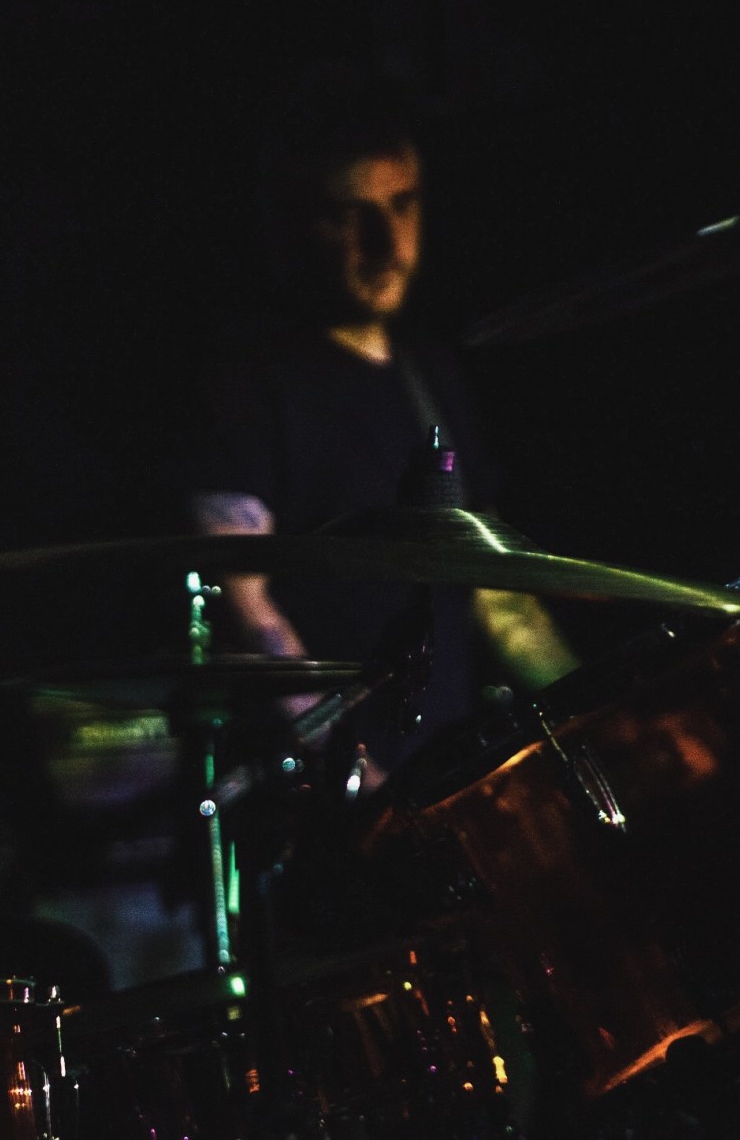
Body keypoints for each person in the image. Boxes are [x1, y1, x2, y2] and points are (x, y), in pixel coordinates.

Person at [182, 66, 577, 791]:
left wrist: (599, 714)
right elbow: (246, 607)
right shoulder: (249, 383)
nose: (384, 240)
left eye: (402, 206)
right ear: (300, 227)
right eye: (348, 214)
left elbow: (496, 595)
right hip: (331, 797)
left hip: (448, 778)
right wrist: (352, 773)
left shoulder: (429, 374)